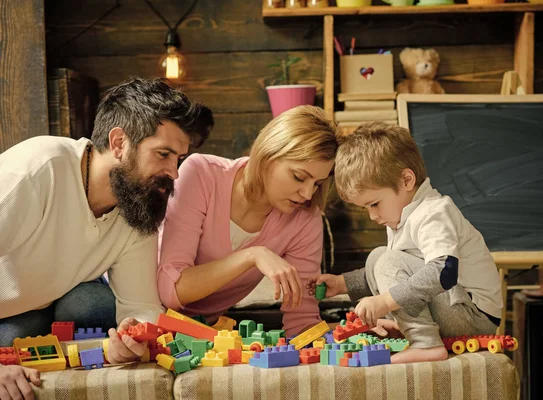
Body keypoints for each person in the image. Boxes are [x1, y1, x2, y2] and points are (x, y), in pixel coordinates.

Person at [0, 77, 213, 398]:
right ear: (119, 143)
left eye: (178, 159)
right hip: (9, 308)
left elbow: (140, 306)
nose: (175, 172)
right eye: (164, 154)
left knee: (87, 304)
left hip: (38, 304)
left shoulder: (139, 205)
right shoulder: (36, 170)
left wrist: (131, 343)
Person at [308, 121, 503, 364]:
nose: (373, 215)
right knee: (379, 258)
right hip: (454, 307)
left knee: (388, 261)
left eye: (374, 204)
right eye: (365, 208)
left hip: (473, 317)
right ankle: (414, 331)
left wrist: (385, 301)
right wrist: (342, 283)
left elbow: (444, 273)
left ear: (407, 180)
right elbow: (402, 271)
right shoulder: (406, 214)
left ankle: (424, 343)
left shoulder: (433, 212)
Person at [158, 105, 339, 336]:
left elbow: (302, 323)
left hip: (200, 333)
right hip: (135, 308)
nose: (307, 193)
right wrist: (253, 255)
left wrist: (362, 329)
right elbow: (171, 290)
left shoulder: (306, 218)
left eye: (317, 183)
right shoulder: (202, 174)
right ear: (267, 156)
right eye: (299, 177)